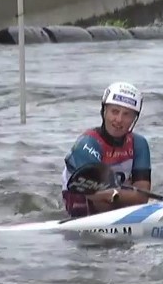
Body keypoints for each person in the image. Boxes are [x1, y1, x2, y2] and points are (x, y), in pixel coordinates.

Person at [61, 81, 153, 218]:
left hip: (117, 205)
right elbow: (99, 201)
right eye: (114, 112)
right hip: (82, 210)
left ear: (134, 119)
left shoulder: (139, 144)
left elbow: (143, 196)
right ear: (104, 112)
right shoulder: (87, 145)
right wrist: (126, 196)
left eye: (127, 114)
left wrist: (116, 195)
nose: (119, 119)